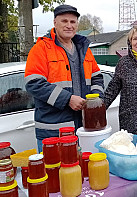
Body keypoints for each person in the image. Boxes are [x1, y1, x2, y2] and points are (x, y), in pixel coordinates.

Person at [25, 4, 104, 152]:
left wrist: (95, 100)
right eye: (64, 21)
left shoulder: (84, 49)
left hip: (83, 128)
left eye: (72, 22)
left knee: (81, 173)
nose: (69, 26)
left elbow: (97, 77)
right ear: (55, 23)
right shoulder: (41, 48)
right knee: (55, 174)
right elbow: (33, 83)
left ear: (77, 25)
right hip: (53, 133)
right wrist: (68, 99)